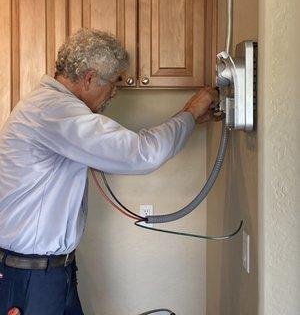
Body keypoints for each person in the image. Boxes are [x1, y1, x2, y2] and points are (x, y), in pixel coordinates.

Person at [0, 28, 218, 315]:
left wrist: (187, 121)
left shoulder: (50, 108)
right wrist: (190, 111)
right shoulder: (55, 111)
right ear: (90, 78)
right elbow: (141, 153)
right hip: (31, 278)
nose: (115, 92)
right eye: (113, 83)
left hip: (51, 272)